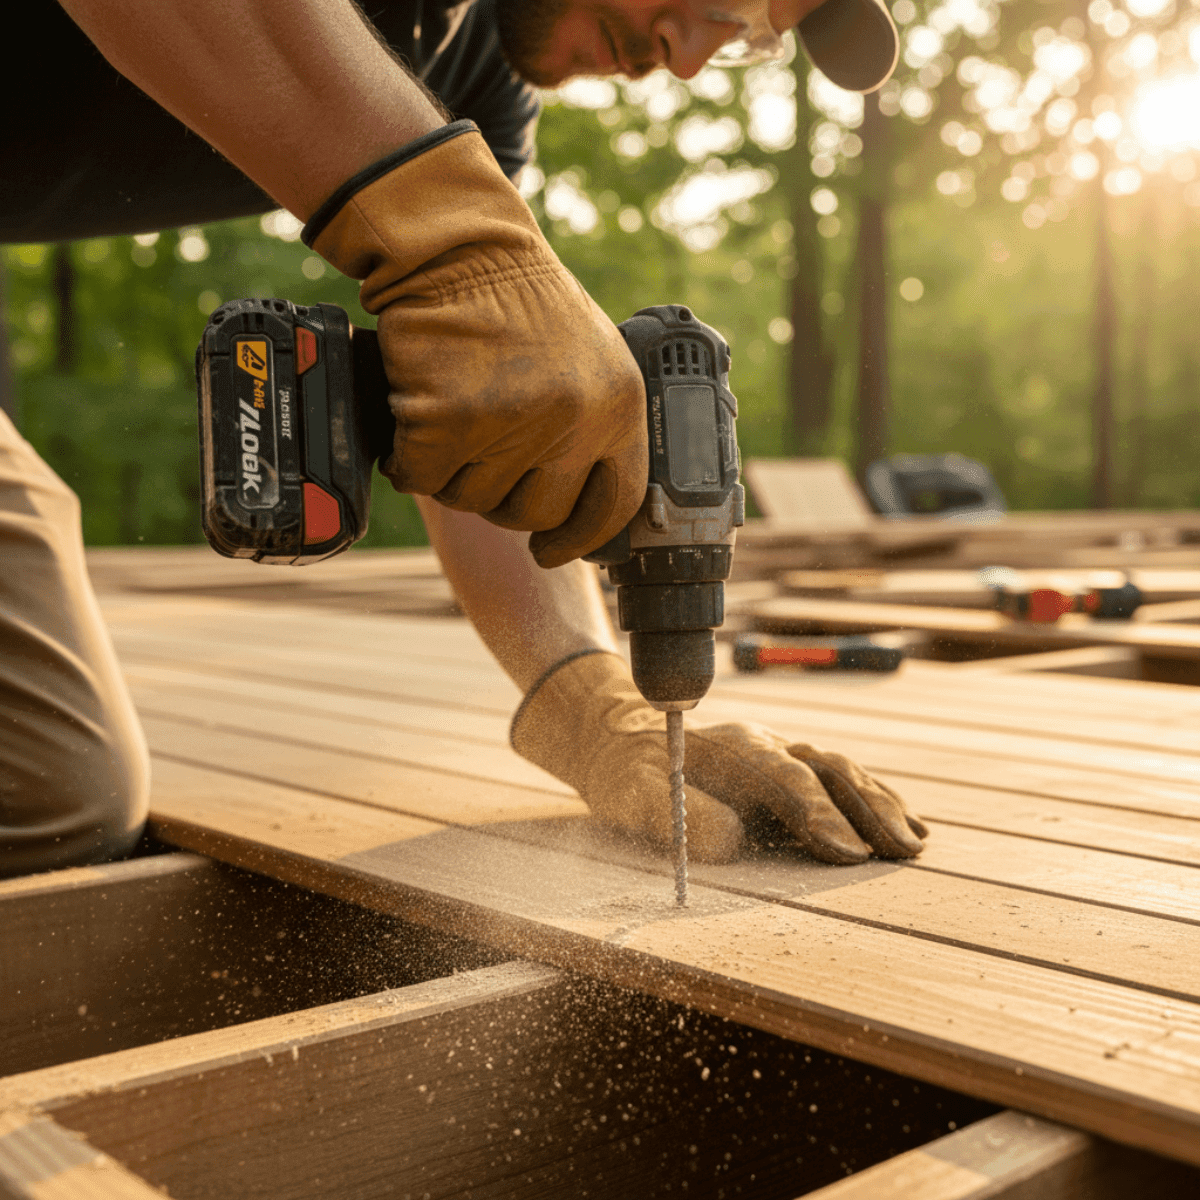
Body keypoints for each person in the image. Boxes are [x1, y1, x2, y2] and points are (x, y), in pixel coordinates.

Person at [0, 0, 925, 877]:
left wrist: (594, 707)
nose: (685, 58)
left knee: (57, 791)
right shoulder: (445, 165)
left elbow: (497, 418)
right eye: (730, 6)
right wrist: (450, 238)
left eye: (751, 38)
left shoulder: (474, 96)